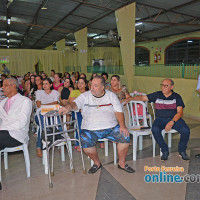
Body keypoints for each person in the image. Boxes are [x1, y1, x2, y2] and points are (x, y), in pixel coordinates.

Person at [59, 75, 134, 173]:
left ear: (103, 87)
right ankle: (97, 163)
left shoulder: (111, 96)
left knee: (125, 136)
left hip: (111, 127)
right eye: (91, 85)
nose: (92, 88)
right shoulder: (85, 96)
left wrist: (123, 126)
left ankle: (122, 163)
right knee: (85, 141)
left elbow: (119, 112)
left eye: (95, 86)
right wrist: (68, 107)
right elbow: (75, 104)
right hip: (90, 128)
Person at [124, 78, 190, 161]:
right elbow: (142, 98)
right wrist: (130, 99)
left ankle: (182, 150)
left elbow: (180, 112)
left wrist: (171, 122)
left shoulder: (177, 97)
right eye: (162, 85)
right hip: (160, 119)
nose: (163, 87)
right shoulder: (157, 95)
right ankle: (164, 150)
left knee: (186, 130)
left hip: (174, 119)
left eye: (166, 86)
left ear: (171, 87)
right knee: (155, 129)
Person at [0, 78, 32, 151]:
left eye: (5, 85)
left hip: (17, 135)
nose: (2, 87)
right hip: (3, 134)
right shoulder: (2, 103)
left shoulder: (25, 101)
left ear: (13, 86)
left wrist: (2, 128)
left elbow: (21, 122)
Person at [35, 78, 59, 157]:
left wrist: (44, 106)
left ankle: (56, 139)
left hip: (52, 116)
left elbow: (56, 103)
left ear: (51, 84)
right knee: (43, 125)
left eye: (46, 84)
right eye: (43, 84)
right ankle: (39, 146)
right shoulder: (39, 92)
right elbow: (38, 105)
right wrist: (50, 105)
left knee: (56, 120)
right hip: (40, 115)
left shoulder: (55, 92)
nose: (44, 85)